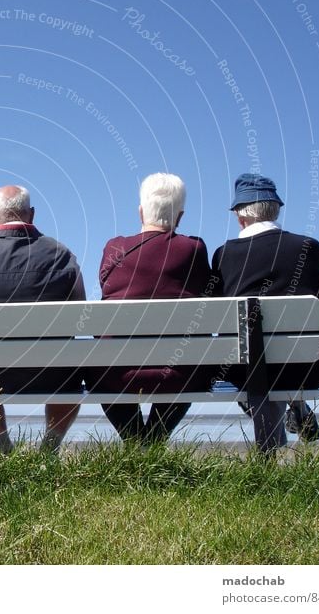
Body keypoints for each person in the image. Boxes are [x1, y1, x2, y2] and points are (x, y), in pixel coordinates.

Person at [0, 185, 85, 453]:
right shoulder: (63, 256)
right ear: (32, 215)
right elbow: (78, 311)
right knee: (70, 368)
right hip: (54, 375)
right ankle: (48, 450)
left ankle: (3, 448)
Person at [211, 173, 319, 442]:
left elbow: (215, 316)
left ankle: (281, 431)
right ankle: (296, 406)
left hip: (243, 369)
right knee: (278, 359)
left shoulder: (224, 255)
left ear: (240, 216)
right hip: (308, 365)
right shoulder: (308, 247)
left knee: (255, 357)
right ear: (276, 209)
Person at [85, 172, 214, 444]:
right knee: (192, 361)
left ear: (141, 211)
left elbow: (106, 285)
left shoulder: (114, 248)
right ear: (179, 217)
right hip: (180, 374)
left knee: (99, 364)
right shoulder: (194, 249)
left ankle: (135, 442)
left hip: (115, 375)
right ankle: (153, 440)